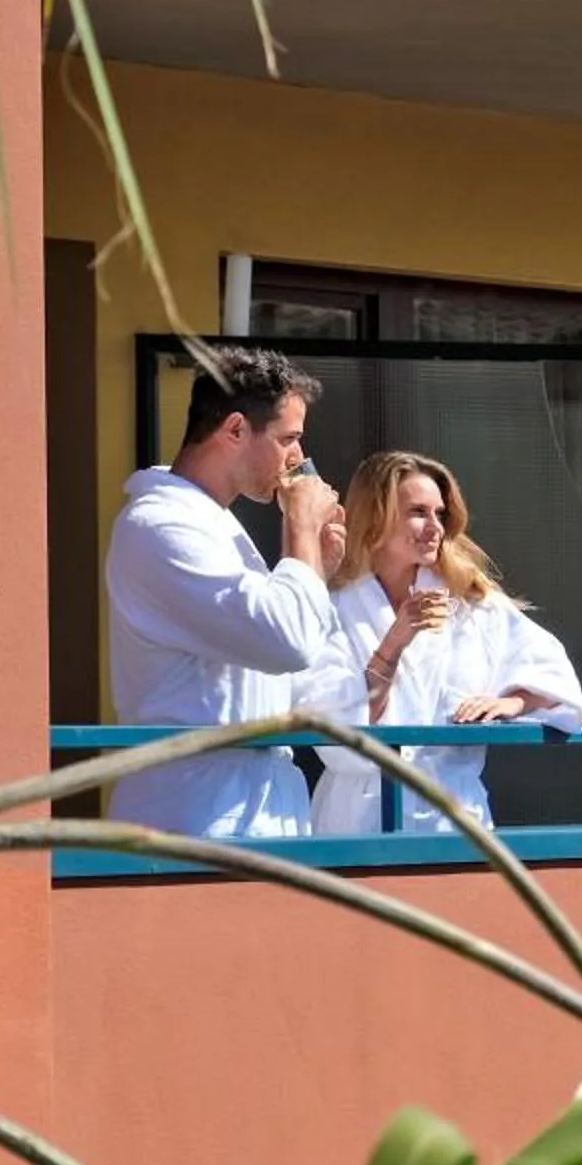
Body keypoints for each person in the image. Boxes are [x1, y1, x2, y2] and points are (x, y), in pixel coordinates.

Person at [105, 348, 347, 837]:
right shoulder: (160, 527)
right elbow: (287, 642)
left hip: (254, 808)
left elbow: (293, 672)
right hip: (198, 814)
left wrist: (314, 569)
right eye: (288, 439)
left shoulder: (215, 525)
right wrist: (301, 528)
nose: (298, 458)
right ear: (235, 429)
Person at [307, 450, 582, 835]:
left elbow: (554, 676)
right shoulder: (333, 608)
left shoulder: (472, 606)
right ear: (376, 517)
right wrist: (395, 641)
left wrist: (513, 702)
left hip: (454, 820)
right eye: (418, 512)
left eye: (440, 514)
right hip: (360, 821)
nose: (434, 527)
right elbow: (334, 732)